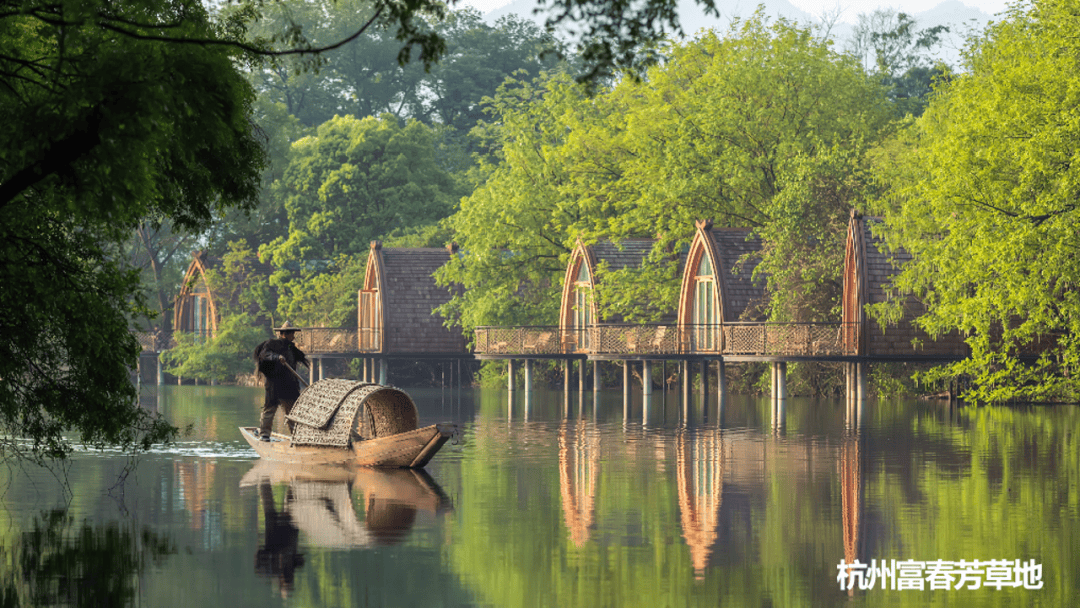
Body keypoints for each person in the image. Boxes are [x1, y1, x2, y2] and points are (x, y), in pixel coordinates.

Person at [253, 322, 308, 441]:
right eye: (291, 333)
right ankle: (264, 434)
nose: (293, 336)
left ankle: (297, 437)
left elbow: (301, 358)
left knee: (292, 412)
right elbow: (264, 354)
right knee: (269, 409)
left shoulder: (291, 348)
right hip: (274, 384)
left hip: (289, 385)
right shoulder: (273, 344)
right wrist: (277, 357)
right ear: (284, 334)